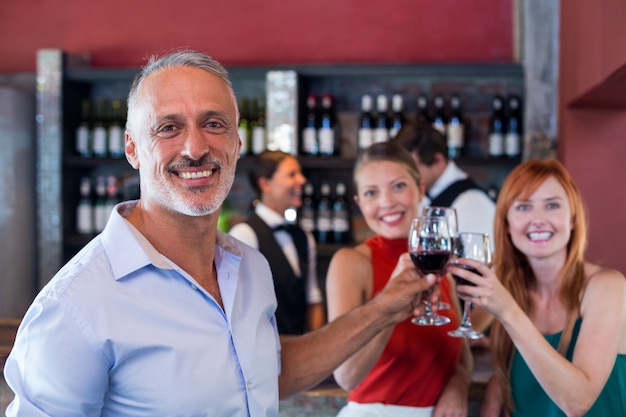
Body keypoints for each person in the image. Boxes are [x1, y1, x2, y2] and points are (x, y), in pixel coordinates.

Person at [3, 49, 440, 417]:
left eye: (214, 124)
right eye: (168, 128)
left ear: (237, 142)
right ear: (132, 148)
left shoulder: (248, 266)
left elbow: (267, 370)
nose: (195, 148)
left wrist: (385, 307)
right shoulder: (75, 305)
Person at [447, 159, 626, 416]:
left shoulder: (607, 287)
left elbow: (577, 403)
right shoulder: (509, 286)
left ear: (573, 219)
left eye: (552, 205)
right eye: (524, 206)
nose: (538, 220)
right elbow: (462, 336)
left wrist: (508, 311)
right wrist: (488, 383)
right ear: (507, 224)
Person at [326, 141, 472, 417]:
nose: (387, 202)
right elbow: (346, 376)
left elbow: (461, 353)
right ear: (359, 203)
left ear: (420, 189)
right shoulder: (351, 263)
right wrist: (390, 306)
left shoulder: (439, 266)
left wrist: (459, 383)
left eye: (398, 186)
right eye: (371, 192)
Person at [393, 120, 496, 336]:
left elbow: (491, 274)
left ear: (438, 161)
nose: (406, 176)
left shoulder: (472, 203)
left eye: (413, 168)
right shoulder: (426, 198)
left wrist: (468, 336)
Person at [229, 150, 325, 335]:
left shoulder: (304, 236)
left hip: (301, 351)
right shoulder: (244, 235)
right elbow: (238, 306)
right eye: (292, 174)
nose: (302, 180)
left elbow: (312, 297)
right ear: (265, 184)